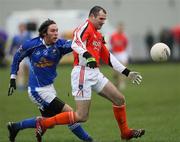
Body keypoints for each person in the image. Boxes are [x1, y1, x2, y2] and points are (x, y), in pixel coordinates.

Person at [34, 6, 145, 141]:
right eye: (101, 19)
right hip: (82, 73)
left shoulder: (98, 35)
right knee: (81, 116)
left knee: (119, 99)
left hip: (95, 73)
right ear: (92, 16)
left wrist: (127, 72)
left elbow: (108, 57)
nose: (103, 22)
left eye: (105, 19)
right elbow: (75, 44)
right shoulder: (85, 28)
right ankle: (44, 123)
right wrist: (88, 55)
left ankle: (125, 133)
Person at [7, 19, 93, 142]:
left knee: (50, 123)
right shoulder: (32, 44)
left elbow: (76, 44)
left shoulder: (60, 45)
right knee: (69, 113)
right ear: (44, 33)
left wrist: (90, 39)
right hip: (37, 90)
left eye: (57, 31)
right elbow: (17, 57)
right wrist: (13, 78)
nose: (56, 33)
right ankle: (88, 140)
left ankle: (15, 127)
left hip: (49, 88)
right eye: (52, 31)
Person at [9, 23, 31, 90]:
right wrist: (10, 53)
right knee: (20, 71)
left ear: (24, 28)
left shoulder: (28, 35)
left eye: (22, 27)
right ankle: (20, 85)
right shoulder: (16, 37)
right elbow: (12, 46)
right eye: (20, 27)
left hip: (27, 56)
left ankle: (28, 84)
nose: (21, 28)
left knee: (28, 71)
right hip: (19, 56)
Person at [110, 22, 129, 90]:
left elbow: (126, 45)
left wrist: (124, 52)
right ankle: (117, 81)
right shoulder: (113, 36)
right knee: (115, 73)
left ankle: (122, 83)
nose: (121, 29)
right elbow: (111, 44)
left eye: (122, 27)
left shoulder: (124, 36)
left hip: (122, 53)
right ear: (117, 28)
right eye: (119, 27)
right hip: (115, 53)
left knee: (123, 68)